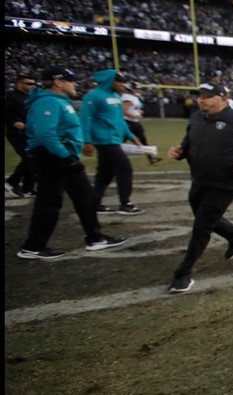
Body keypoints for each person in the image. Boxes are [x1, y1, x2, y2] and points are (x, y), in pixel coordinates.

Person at [166, 82, 233, 294]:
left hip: (225, 182)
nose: (202, 100)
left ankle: (182, 274)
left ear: (223, 98)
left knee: (202, 226)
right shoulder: (196, 118)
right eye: (200, 96)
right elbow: (189, 143)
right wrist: (181, 152)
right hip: (199, 179)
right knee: (204, 217)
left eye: (207, 96)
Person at [16, 67, 126, 259]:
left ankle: (94, 237)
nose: (74, 83)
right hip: (53, 157)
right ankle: (33, 246)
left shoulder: (56, 101)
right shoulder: (48, 101)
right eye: (69, 80)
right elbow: (45, 133)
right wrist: (65, 156)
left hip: (63, 155)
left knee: (86, 197)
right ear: (57, 82)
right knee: (49, 201)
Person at [81, 69, 144, 215]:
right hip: (104, 140)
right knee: (124, 168)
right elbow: (85, 119)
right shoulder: (93, 96)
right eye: (119, 81)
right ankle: (125, 203)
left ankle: (95, 202)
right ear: (110, 81)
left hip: (113, 139)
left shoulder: (115, 96)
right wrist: (87, 141)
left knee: (105, 172)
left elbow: (120, 121)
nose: (122, 85)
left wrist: (133, 137)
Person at [5, 73, 37, 197]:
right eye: (29, 84)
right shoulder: (12, 96)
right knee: (28, 158)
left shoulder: (29, 97)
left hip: (28, 133)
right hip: (16, 134)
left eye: (34, 83)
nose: (32, 86)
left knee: (33, 159)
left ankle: (27, 188)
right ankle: (12, 182)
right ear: (19, 84)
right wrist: (13, 122)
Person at [121, 82, 162, 165]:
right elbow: (123, 111)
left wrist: (138, 112)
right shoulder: (127, 98)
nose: (138, 90)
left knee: (143, 140)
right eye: (136, 88)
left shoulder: (133, 97)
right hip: (128, 122)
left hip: (135, 123)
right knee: (121, 142)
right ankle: (113, 158)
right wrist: (135, 116)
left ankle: (151, 158)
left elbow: (134, 108)